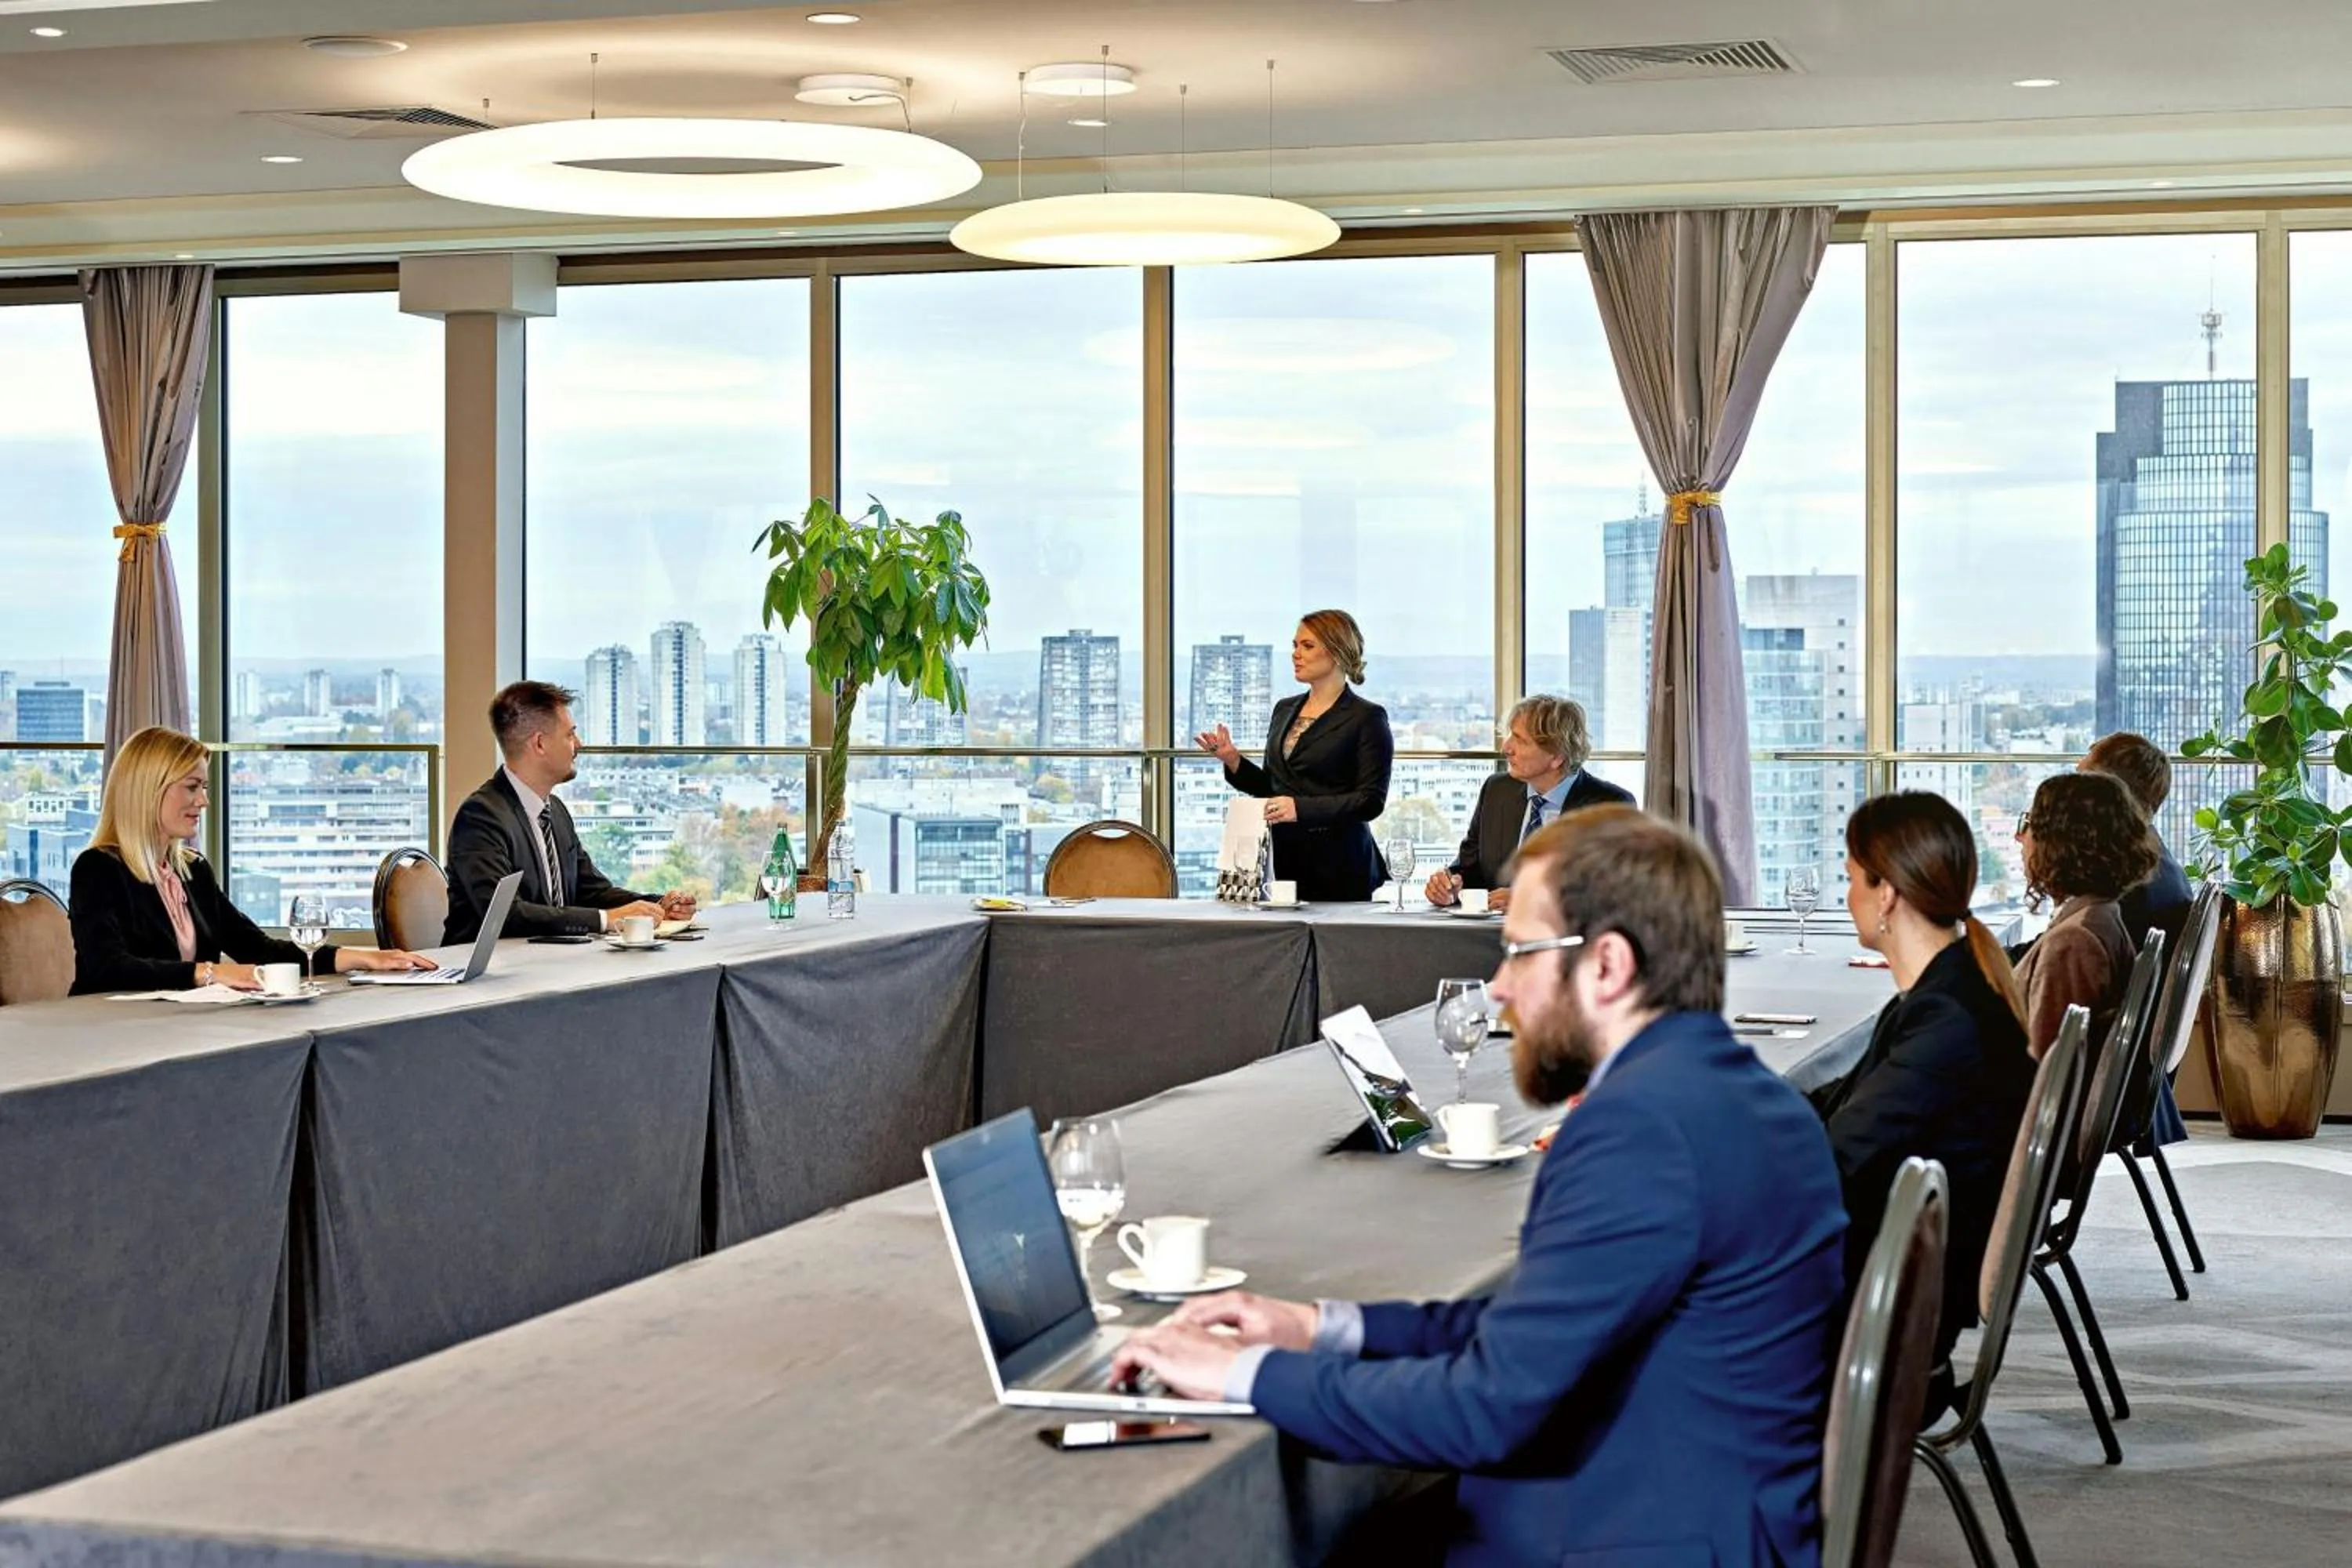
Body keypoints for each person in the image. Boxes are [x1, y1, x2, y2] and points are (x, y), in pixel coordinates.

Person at [1113, 806, 1848, 1567]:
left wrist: (1238, 1371)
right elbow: (1528, 1327)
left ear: (1607, 964)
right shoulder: (1747, 1096)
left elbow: (1484, 1408)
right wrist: (1321, 1327)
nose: (1500, 987)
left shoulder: (1644, 1129)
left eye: (1522, 952)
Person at [1809, 791, 2035, 1383]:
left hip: (1885, 1311)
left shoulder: (1948, 1021)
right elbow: (1837, 1103)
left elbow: (1834, 1162)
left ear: (1886, 894)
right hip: (1896, 1271)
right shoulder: (1949, 990)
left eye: (1852, 879)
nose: (1848, 895)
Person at [69, 726, 435, 995]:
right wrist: (212, 973)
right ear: (149, 790)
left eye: (205, 788)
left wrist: (364, 959)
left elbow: (257, 948)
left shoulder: (192, 870)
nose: (204, 802)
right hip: (112, 1034)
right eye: (192, 787)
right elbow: (109, 969)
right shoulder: (97, 870)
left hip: (178, 1030)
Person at [443, 681, 694, 946]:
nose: (579, 744)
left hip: (547, 966)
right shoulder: (481, 817)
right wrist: (606, 920)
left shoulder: (556, 811)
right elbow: (504, 914)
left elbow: (592, 891)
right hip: (489, 976)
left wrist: (657, 905)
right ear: (539, 744)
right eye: (570, 735)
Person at [1195, 610, 1394, 903]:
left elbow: (1370, 801)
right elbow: (1272, 789)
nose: (1295, 654)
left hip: (1339, 865)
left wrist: (1299, 808)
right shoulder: (1284, 709)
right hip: (1280, 862)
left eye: (1307, 646)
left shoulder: (1367, 718)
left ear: (1337, 652)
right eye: (1295, 645)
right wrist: (1233, 760)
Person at [1424, 694, 1631, 913]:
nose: (1506, 747)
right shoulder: (1497, 790)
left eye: (1520, 740)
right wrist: (1452, 887)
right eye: (1509, 735)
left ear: (1557, 756)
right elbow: (1469, 869)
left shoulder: (1611, 807)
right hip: (1486, 937)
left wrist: (1533, 901)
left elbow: (1612, 894)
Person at [2015, 770, 2159, 1060]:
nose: (2019, 837)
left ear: (2060, 842)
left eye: (2029, 824)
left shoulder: (2073, 944)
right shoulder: (2100, 914)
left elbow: (2043, 1071)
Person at [2080, 731, 2194, 950]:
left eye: (2081, 783)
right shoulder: (2162, 868)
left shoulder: (2122, 879)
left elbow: (2065, 952)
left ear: (2109, 793)